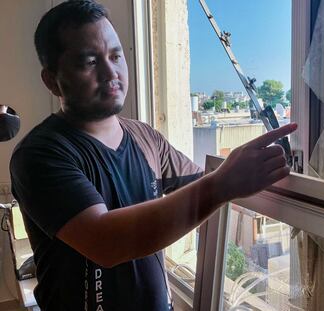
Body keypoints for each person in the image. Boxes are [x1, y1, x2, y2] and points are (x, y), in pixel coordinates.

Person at [9, 1, 297, 310]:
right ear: (52, 80)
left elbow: (202, 183)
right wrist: (221, 185)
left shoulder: (146, 138)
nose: (111, 72)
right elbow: (106, 243)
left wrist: (258, 169)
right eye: (89, 62)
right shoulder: (40, 155)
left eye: (116, 56)